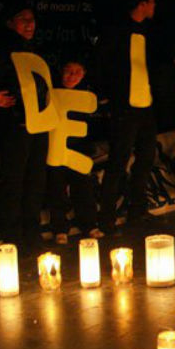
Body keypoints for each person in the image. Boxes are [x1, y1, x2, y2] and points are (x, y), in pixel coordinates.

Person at [95, 0, 158, 232]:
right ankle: (107, 217)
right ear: (142, 3)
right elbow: (103, 64)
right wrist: (109, 98)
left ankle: (137, 210)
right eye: (152, 2)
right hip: (125, 107)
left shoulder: (149, 32)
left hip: (146, 105)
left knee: (145, 158)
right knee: (118, 161)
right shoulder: (116, 31)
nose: (154, 6)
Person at [0, 2, 47, 244]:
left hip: (38, 124)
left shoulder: (34, 49)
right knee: (15, 181)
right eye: (23, 19)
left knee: (35, 180)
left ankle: (31, 232)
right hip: (16, 124)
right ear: (10, 22)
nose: (30, 24)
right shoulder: (1, 50)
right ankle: (12, 237)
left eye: (32, 19)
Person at [46, 61, 104, 244]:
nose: (72, 75)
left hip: (79, 148)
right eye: (68, 71)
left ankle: (89, 224)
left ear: (84, 73)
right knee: (57, 188)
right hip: (56, 147)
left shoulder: (87, 95)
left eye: (77, 72)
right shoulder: (50, 93)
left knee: (83, 186)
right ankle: (60, 229)